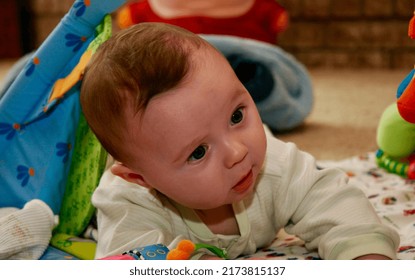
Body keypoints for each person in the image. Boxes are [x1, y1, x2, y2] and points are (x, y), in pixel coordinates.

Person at [80, 22, 399, 260]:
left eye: (236, 116)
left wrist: (365, 257)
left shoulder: (274, 165)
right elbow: (129, 260)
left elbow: (335, 204)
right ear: (140, 178)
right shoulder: (131, 202)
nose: (238, 151)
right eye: (199, 152)